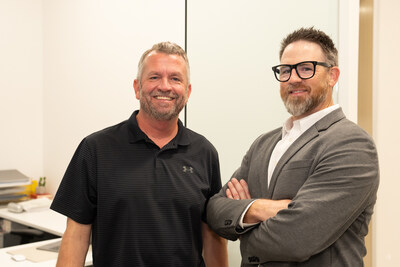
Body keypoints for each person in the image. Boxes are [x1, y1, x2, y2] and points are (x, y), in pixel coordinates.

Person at [206, 27, 379, 266]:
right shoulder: (263, 144)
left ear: (333, 76)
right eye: (285, 70)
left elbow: (296, 238)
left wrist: (243, 223)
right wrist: (259, 208)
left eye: (306, 68)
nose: (293, 78)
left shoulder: (351, 144)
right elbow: (215, 210)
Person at [50, 42, 228, 267]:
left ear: (188, 91)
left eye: (175, 78)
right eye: (154, 77)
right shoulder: (95, 149)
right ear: (137, 87)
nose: (165, 86)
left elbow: (212, 237)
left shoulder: (205, 153)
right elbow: (76, 236)